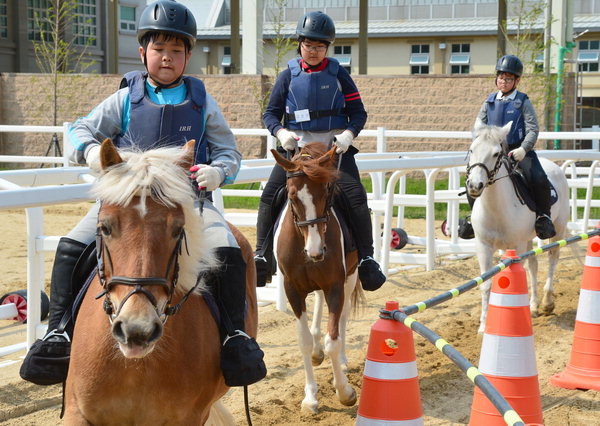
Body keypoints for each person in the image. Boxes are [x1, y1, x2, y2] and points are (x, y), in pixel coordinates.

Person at [21, 0, 265, 388]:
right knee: (71, 245)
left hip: (185, 204)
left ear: (188, 55)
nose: (166, 58)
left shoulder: (202, 103)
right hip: (126, 203)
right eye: (158, 49)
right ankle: (59, 332)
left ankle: (235, 336)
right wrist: (90, 154)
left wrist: (219, 171)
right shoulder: (125, 98)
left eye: (176, 50)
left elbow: (229, 151)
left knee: (230, 250)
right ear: (142, 53)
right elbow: (78, 130)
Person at [255, 11, 386, 291]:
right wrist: (281, 133)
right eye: (308, 45)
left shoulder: (339, 74)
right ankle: (261, 256)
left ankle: (366, 259)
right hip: (297, 153)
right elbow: (270, 114)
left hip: (332, 152)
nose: (313, 51)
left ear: (327, 47)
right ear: (299, 44)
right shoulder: (287, 76)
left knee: (356, 197)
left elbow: (358, 113)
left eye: (319, 46)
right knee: (270, 195)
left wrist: (349, 134)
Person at [459, 54, 556, 240]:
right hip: (494, 152)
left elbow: (533, 129)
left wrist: (524, 149)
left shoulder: (523, 101)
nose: (503, 81)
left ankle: (543, 217)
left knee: (538, 177)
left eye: (508, 78)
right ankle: (474, 218)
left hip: (518, 151)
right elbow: (478, 126)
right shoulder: (489, 101)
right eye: (501, 77)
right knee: (473, 177)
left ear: (517, 80)